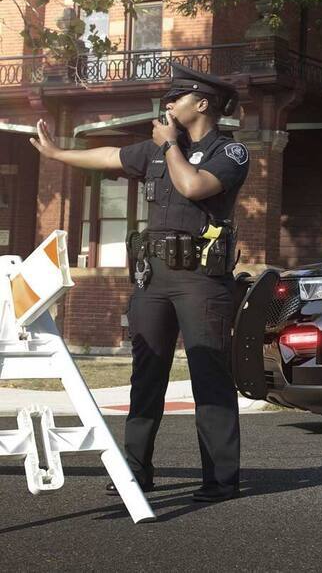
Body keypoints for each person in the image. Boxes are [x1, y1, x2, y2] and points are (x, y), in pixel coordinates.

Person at [30, 61, 250, 501]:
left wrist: (170, 146)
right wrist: (57, 154)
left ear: (201, 103)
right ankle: (135, 471)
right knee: (146, 374)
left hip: (201, 282)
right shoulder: (155, 150)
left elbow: (192, 186)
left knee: (209, 375)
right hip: (154, 278)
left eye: (177, 98)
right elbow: (109, 156)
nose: (167, 104)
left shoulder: (229, 153)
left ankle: (221, 480)